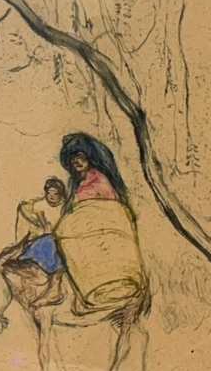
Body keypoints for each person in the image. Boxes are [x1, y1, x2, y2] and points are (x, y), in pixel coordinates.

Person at [52, 132, 144, 312]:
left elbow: (108, 207)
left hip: (100, 230)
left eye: (80, 157)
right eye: (72, 159)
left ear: (88, 157)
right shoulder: (77, 184)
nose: (77, 162)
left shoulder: (98, 179)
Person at [11, 174, 67, 275]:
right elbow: (43, 222)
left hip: (59, 234)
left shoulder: (63, 207)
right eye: (49, 193)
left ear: (61, 194)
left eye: (55, 194)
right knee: (45, 242)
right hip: (46, 233)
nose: (51, 196)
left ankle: (53, 267)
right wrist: (47, 228)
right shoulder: (41, 205)